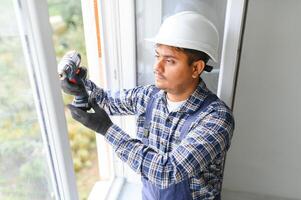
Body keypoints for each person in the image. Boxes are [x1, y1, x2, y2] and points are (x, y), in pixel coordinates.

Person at [61, 11, 234, 200]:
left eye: (169, 61)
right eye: (157, 56)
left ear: (196, 68)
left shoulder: (216, 119)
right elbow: (106, 100)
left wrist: (106, 129)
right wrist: (82, 88)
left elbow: (167, 171)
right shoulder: (149, 96)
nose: (156, 67)